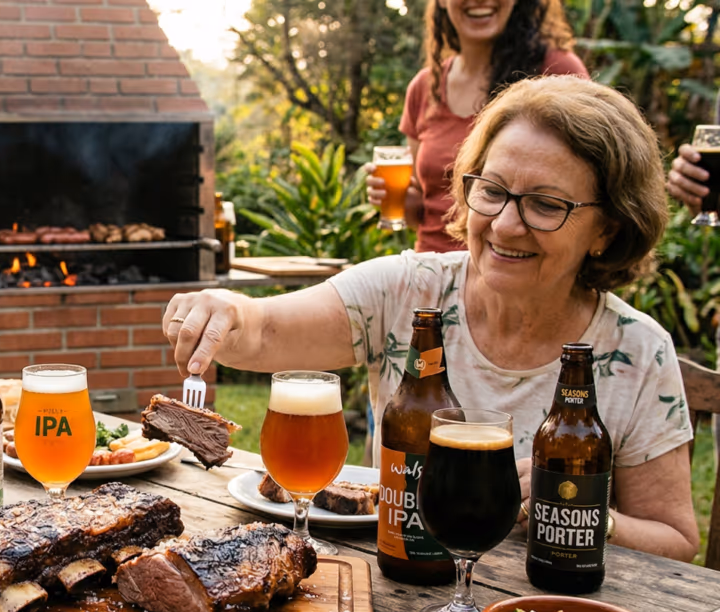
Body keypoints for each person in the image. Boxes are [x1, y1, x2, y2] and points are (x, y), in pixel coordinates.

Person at [165, 75, 699, 562]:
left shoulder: (639, 351)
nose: (505, 225)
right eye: (491, 191)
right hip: (395, 596)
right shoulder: (409, 289)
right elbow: (261, 331)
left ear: (607, 229)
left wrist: (584, 512)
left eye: (544, 204)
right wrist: (224, 309)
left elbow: (675, 543)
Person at [366, 0, 587, 253]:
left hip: (517, 274)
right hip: (432, 272)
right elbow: (425, 209)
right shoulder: (424, 87)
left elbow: (589, 190)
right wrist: (401, 200)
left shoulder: (557, 72)